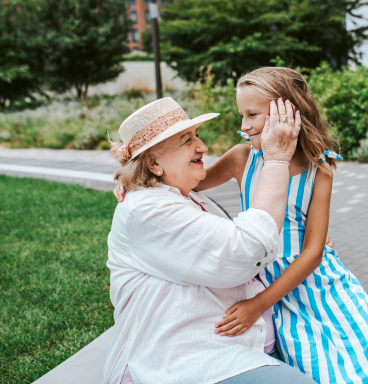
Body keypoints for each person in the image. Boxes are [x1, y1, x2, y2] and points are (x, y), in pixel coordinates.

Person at [116, 68, 368, 384]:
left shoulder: (320, 168)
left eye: (252, 114)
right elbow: (188, 180)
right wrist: (131, 179)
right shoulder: (243, 158)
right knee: (329, 373)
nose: (244, 125)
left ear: (287, 112)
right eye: (242, 114)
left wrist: (258, 305)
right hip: (275, 293)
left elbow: (313, 252)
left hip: (317, 286)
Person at [103, 97, 315, 384]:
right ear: (153, 162)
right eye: (186, 140)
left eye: (197, 136)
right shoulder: (146, 209)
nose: (202, 147)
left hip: (229, 354)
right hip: (185, 363)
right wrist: (277, 159)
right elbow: (247, 249)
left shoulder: (185, 197)